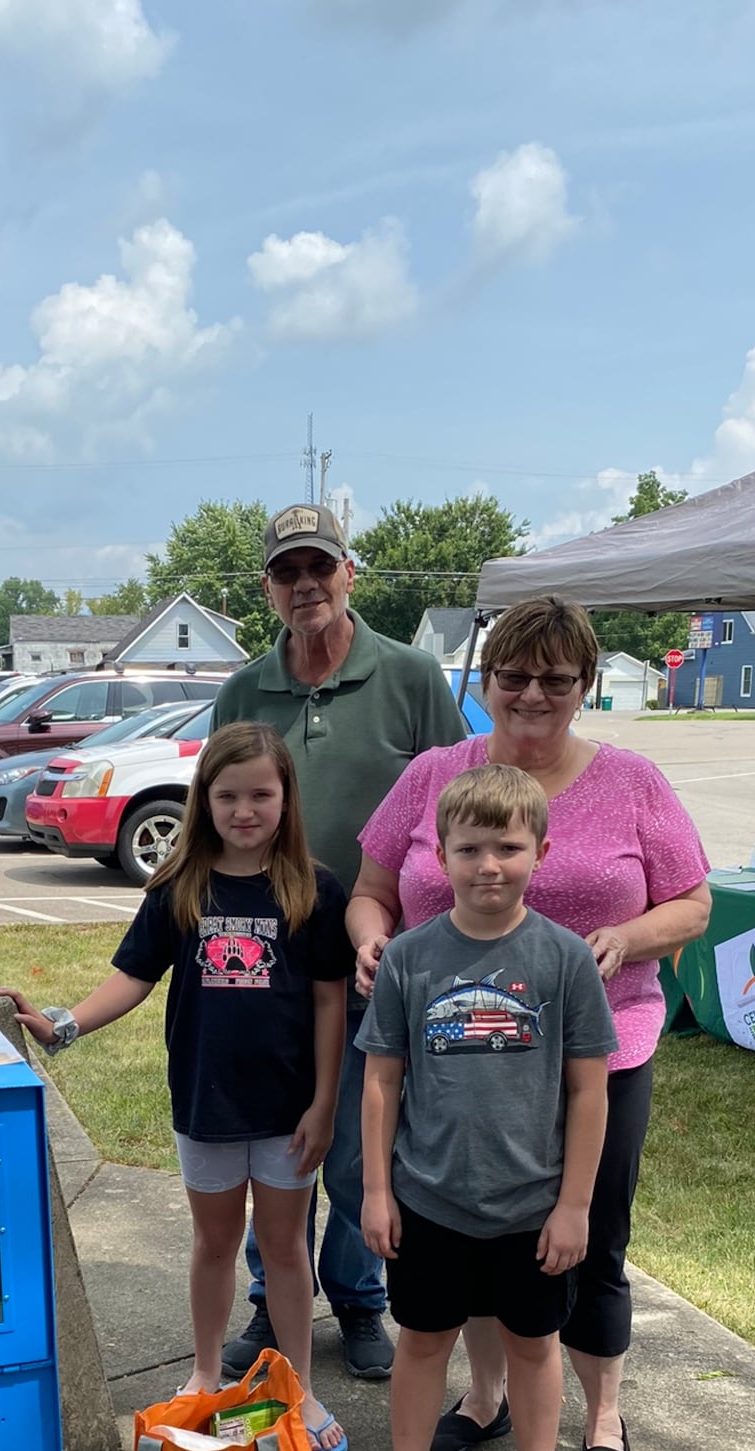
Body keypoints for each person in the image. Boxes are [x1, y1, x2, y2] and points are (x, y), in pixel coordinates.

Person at [349, 594, 711, 1451]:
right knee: (468, 1227)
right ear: (484, 679)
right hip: (455, 1050)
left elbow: (695, 904)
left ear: (585, 683)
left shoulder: (631, 782)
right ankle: (484, 1395)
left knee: (585, 1239)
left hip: (599, 1048)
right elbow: (374, 888)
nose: (533, 693)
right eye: (514, 675)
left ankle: (601, 1418)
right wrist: (369, 939)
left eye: (556, 677)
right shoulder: (438, 772)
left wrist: (626, 938)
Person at [0, 722, 355, 1451]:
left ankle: (297, 1384)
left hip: (290, 1112)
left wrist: (325, 1104)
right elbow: (132, 977)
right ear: (203, 801)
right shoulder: (178, 886)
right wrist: (61, 1025)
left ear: (287, 796)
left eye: (261, 793)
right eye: (227, 795)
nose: (244, 809)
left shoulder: (315, 891)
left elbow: (330, 1002)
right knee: (215, 1242)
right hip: (206, 1101)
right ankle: (201, 1372)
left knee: (287, 1248)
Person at [212, 501, 469, 1385]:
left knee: (362, 1135)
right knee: (273, 1134)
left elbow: (460, 805)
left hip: (377, 943)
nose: (305, 584)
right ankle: (272, 1299)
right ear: (268, 589)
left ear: (349, 573)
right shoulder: (244, 690)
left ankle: (358, 1298)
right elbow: (222, 806)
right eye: (287, 572)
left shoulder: (409, 676)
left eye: (320, 566)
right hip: (264, 952)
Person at [348, 764, 616, 1451]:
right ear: (440, 854)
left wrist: (574, 1205)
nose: (488, 864)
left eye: (508, 846)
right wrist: (375, 1190)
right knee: (422, 1342)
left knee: (534, 1346)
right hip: (427, 1201)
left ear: (542, 849)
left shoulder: (565, 960)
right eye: (469, 847)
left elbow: (590, 1091)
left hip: (531, 1207)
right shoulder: (410, 959)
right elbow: (381, 1079)